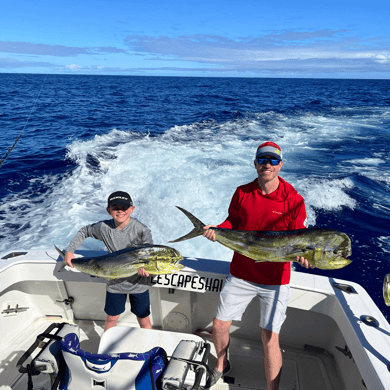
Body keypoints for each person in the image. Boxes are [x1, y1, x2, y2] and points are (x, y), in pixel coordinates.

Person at [202, 142, 314, 390]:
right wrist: (217, 231)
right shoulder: (242, 192)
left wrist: (303, 256)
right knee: (219, 326)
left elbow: (300, 240)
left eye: (273, 161)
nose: (267, 165)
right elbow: (232, 221)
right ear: (255, 164)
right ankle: (222, 366)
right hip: (241, 273)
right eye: (262, 160)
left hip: (275, 279)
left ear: (280, 165)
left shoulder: (293, 200)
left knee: (269, 337)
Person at [63, 191, 153, 331]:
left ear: (131, 209)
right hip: (115, 283)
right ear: (109, 210)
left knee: (143, 319)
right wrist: (70, 251)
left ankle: (149, 347)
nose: (120, 211)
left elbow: (149, 256)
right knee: (111, 318)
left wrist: (148, 272)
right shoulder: (104, 228)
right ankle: (107, 349)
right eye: (115, 207)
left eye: (124, 207)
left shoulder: (142, 230)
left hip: (139, 284)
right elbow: (84, 231)